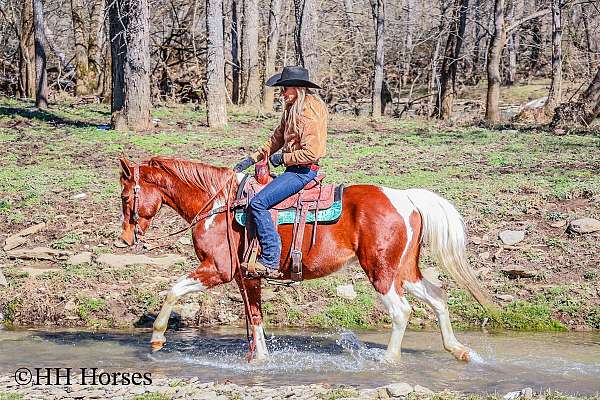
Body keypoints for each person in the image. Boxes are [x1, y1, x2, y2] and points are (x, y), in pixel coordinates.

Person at [233, 66, 328, 278]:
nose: (282, 93)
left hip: (302, 172)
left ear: (297, 88)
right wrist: (252, 158)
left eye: (284, 88)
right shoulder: (292, 108)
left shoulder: (308, 113)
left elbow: (312, 153)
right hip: (294, 168)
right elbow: (276, 138)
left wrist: (282, 158)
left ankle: (270, 259)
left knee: (258, 203)